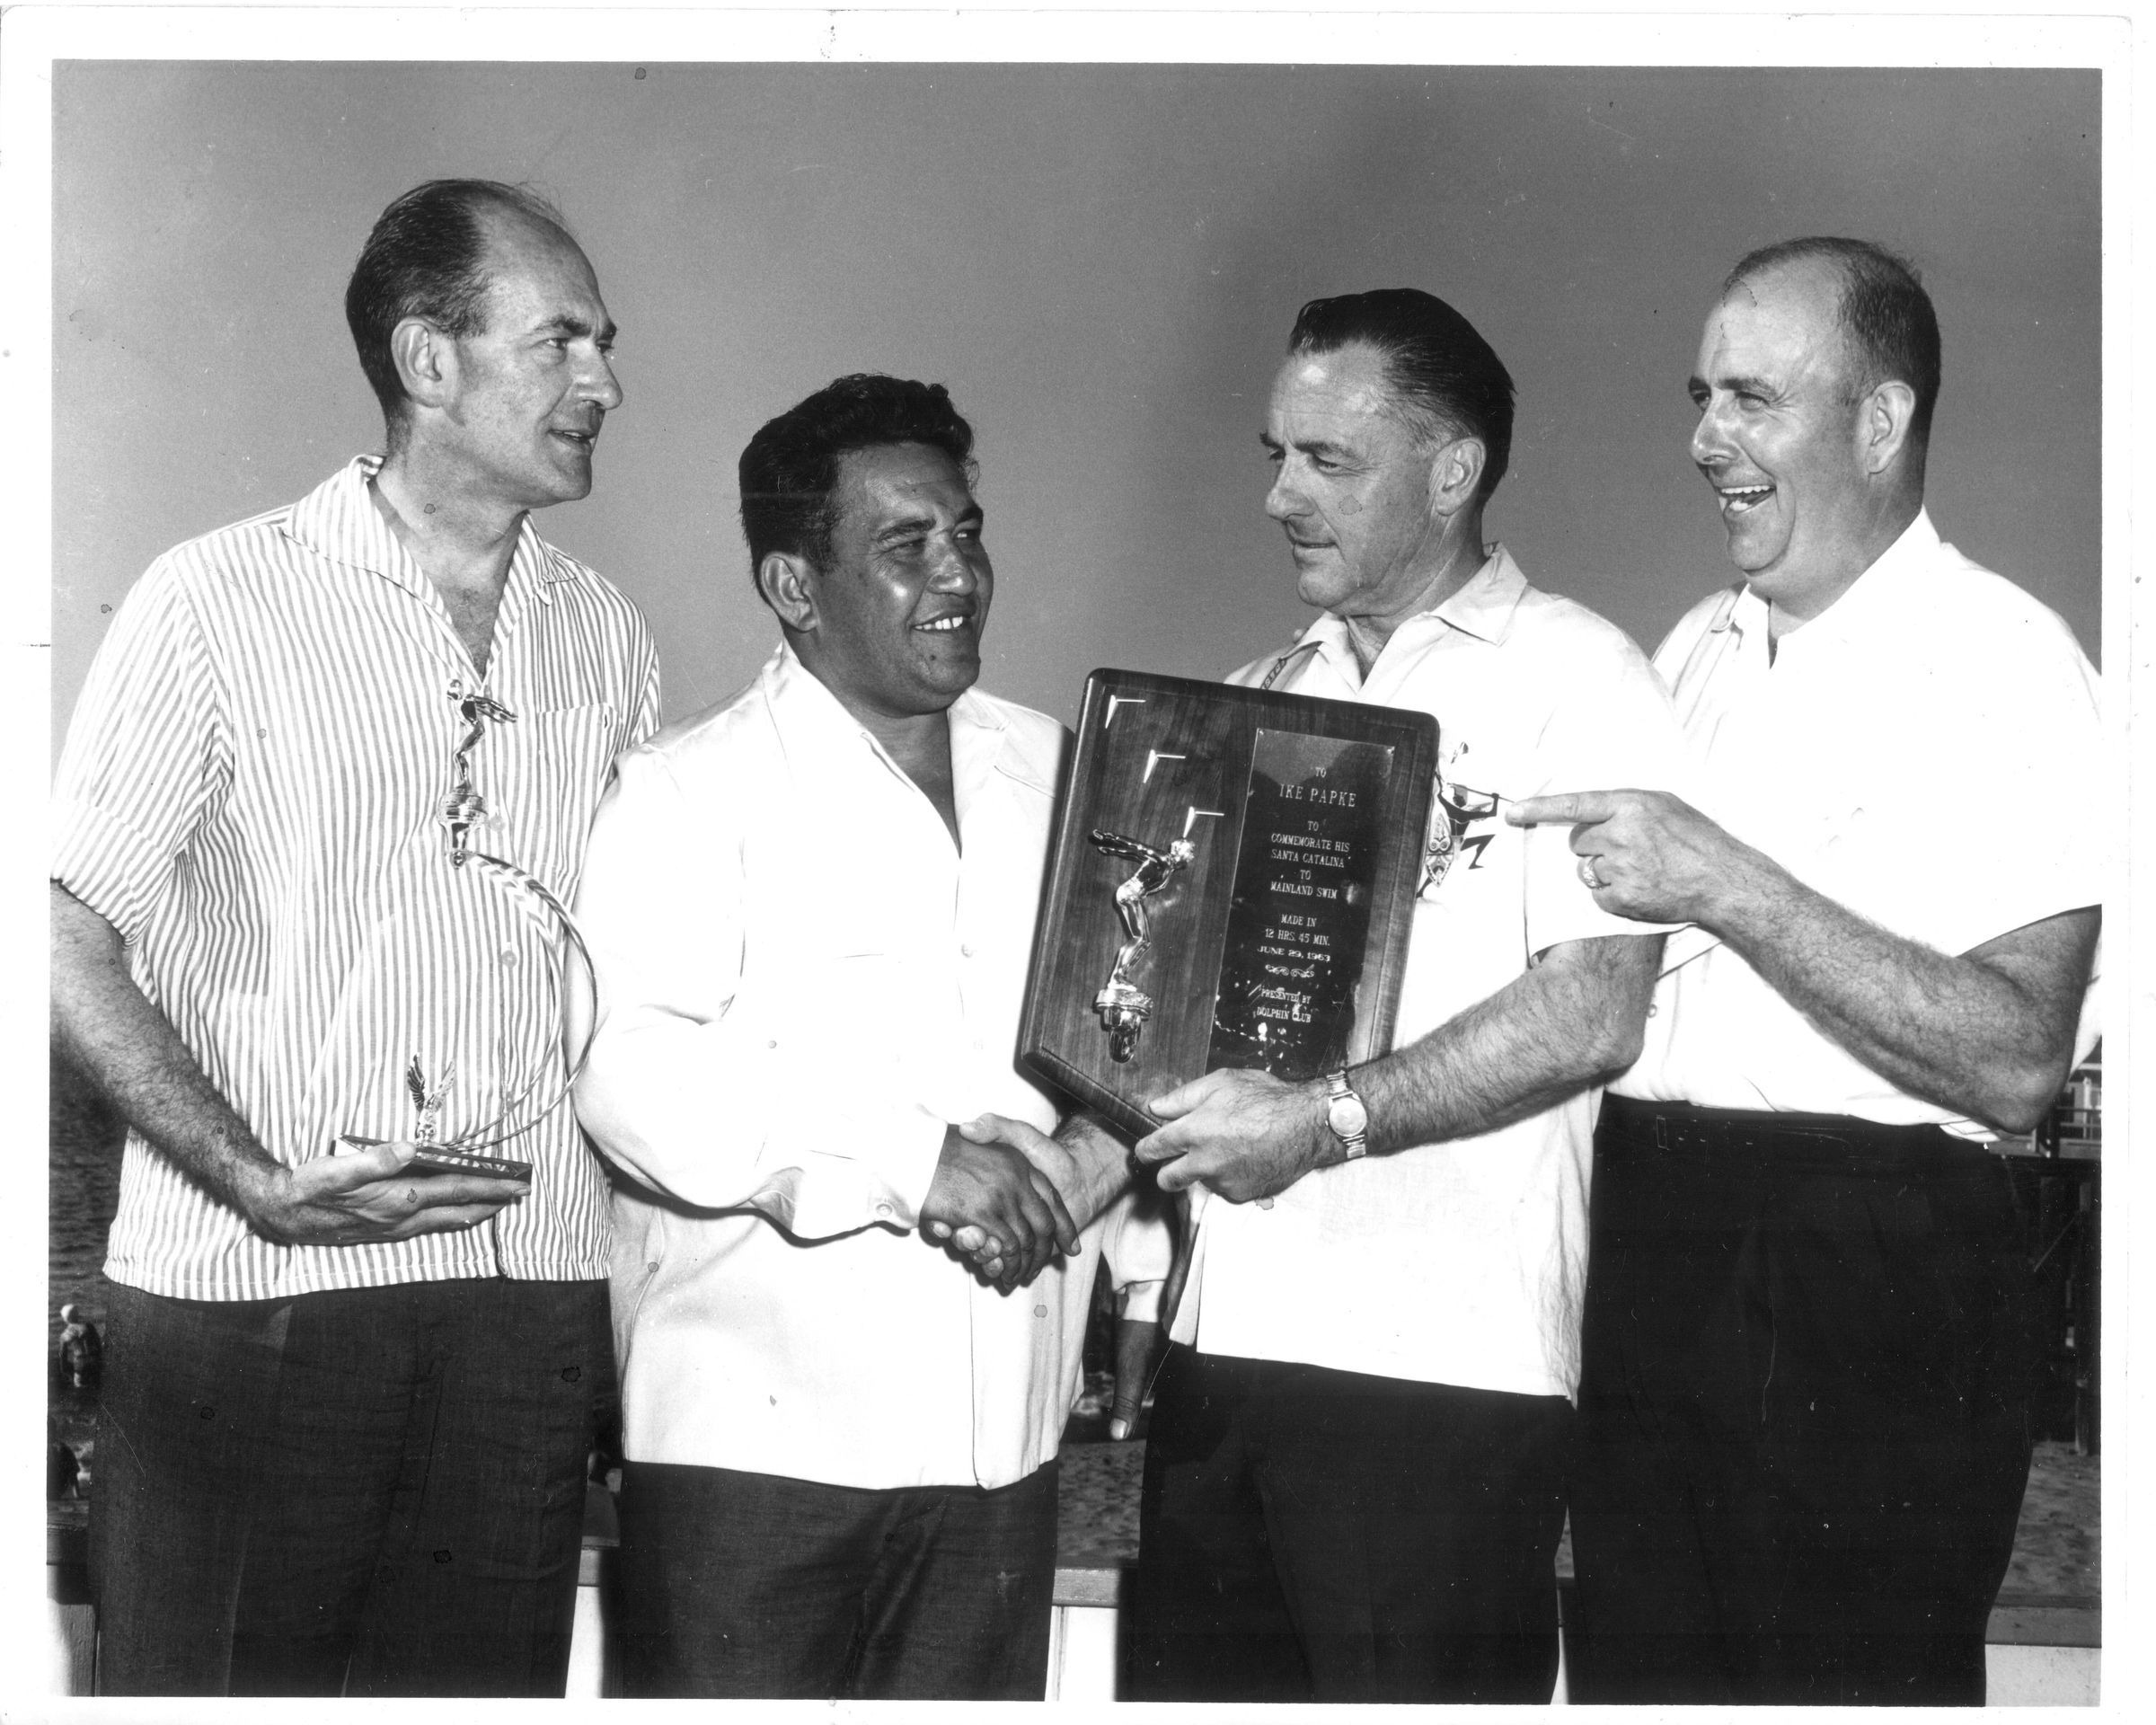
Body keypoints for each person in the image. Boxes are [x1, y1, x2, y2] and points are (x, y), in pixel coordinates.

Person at [49, 179, 657, 1696]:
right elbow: (57, 937)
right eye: (561, 341)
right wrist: (256, 1179)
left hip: (524, 1314)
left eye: (604, 344)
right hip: (250, 1304)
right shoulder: (213, 599)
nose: (604, 382)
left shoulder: (608, 637)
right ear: (427, 359)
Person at [1513, 238, 2101, 1705]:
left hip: (1869, 1272)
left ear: (1882, 421)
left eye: (1753, 399)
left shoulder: (2009, 663)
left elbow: (2018, 1057)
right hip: (1657, 1237)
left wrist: (1721, 877)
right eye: (1702, 396)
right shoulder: (1696, 649)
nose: (1706, 439)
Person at [1103, 288, 1692, 1703]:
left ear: (1452, 472)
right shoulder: (1254, 693)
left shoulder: (1581, 679)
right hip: (1220, 1353)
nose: (1278, 495)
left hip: (1444, 1371)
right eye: (1277, 455)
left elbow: (1594, 1009)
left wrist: (1326, 1120)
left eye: (1327, 460)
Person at [568, 373, 1171, 1701]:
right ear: (793, 586)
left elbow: (1126, 1033)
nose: (959, 573)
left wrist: (1134, 1261)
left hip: (1005, 1452)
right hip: (756, 1468)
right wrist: (920, 1163)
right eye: (907, 544)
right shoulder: (685, 792)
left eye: (967, 532)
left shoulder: (1067, 770)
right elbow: (633, 1073)